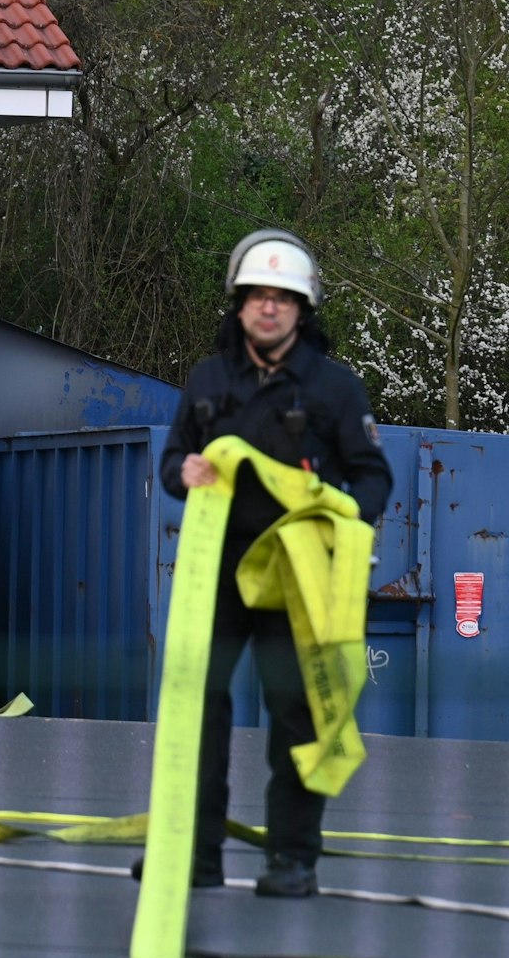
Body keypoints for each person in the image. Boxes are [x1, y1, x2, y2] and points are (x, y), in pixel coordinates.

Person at [149, 228, 392, 896]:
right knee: (196, 712)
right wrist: (184, 471)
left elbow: (372, 479)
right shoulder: (206, 379)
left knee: (297, 714)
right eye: (256, 295)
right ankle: (191, 856)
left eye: (281, 298)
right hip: (218, 575)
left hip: (297, 583)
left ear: (302, 309)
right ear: (237, 305)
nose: (268, 308)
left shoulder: (336, 390)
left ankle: (292, 860)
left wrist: (338, 520)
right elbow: (172, 461)